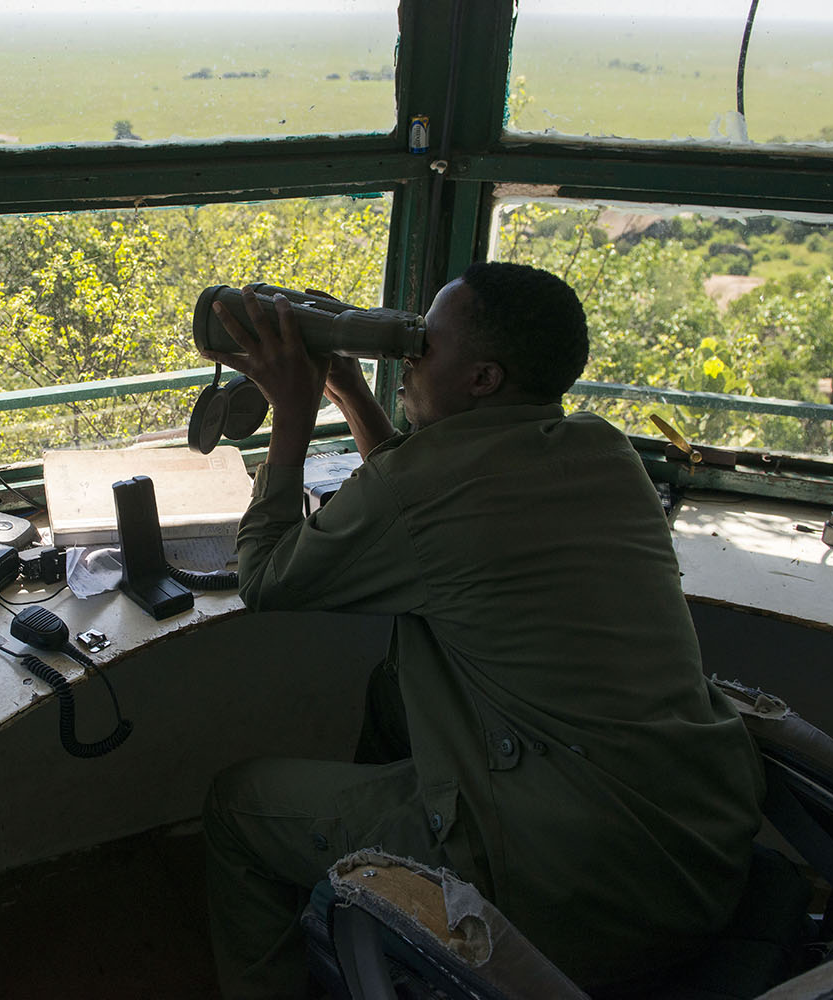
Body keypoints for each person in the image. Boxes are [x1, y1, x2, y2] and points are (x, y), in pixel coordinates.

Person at [198, 262, 765, 999]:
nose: (409, 353)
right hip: (696, 848)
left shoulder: (421, 488)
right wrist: (351, 390)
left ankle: (389, 906)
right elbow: (426, 496)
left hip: (567, 890)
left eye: (425, 344)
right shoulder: (606, 450)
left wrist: (295, 416)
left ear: (484, 379)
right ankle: (366, 899)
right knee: (397, 688)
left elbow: (267, 577)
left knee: (238, 807)